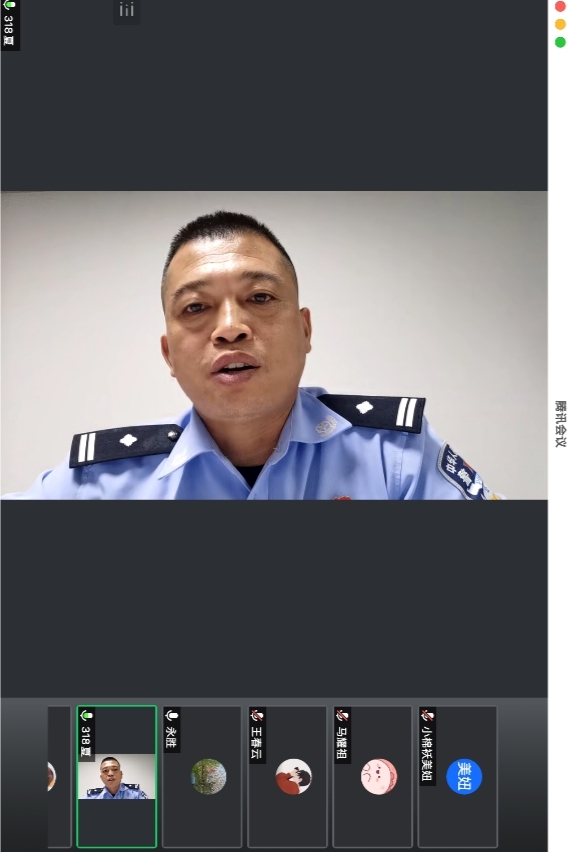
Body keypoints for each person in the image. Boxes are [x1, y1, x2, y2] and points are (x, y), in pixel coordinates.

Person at [2, 211, 505, 501]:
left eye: (260, 298)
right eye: (195, 307)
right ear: (169, 355)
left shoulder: (395, 458)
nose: (229, 328)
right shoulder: (98, 485)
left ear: (305, 330)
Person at [82, 756, 148, 799]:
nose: (110, 774)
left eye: (115, 769)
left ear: (121, 774)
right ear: (101, 777)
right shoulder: (90, 797)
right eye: (105, 771)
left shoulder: (135, 793)